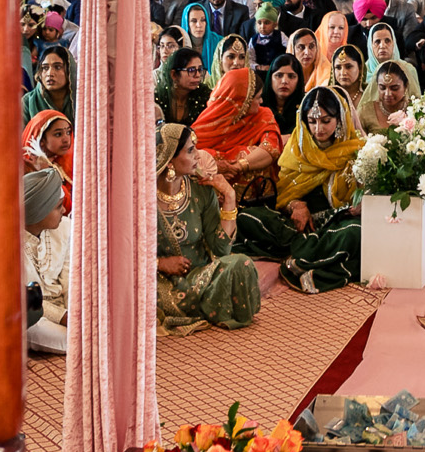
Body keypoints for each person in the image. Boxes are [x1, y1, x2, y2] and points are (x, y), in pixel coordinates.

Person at [240, 91, 365, 293]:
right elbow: (286, 190)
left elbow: (365, 195)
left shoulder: (357, 149)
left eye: (326, 121)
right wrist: (295, 205)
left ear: (340, 118)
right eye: (312, 121)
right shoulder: (297, 147)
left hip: (338, 222)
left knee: (355, 232)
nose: (318, 129)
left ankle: (301, 257)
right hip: (299, 226)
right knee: (247, 217)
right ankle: (313, 254)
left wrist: (359, 207)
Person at [155, 122, 261, 332]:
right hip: (157, 281)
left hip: (198, 277)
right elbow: (122, 253)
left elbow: (221, 250)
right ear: (169, 160)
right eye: (191, 150)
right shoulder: (139, 200)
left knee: (242, 265)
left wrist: (229, 198)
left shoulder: (200, 190)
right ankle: (205, 306)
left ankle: (204, 303)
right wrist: (159, 263)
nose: (198, 155)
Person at [191, 66, 283, 203]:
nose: (261, 102)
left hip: (256, 202)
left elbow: (271, 150)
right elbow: (189, 158)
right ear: (242, 102)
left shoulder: (263, 116)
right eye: (258, 98)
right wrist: (215, 164)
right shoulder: (205, 126)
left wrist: (238, 165)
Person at [22, 167, 70, 355]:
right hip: (33, 314)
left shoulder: (66, 229)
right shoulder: (7, 242)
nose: (65, 210)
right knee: (29, 325)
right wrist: (63, 316)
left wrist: (77, 312)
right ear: (38, 212)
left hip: (67, 308)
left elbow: (70, 279)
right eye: (58, 207)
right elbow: (22, 298)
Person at [24, 109, 74, 213]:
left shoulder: (66, 163)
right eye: (58, 134)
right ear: (41, 140)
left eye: (68, 132)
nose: (66, 139)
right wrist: (44, 174)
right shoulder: (26, 168)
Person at [357, 57, 420, 134]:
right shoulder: (365, 112)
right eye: (382, 88)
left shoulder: (416, 110)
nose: (388, 94)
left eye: (394, 88)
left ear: (406, 86)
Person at [158, 47, 210, 127]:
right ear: (174, 74)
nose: (198, 75)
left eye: (200, 70)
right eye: (191, 70)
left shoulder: (205, 96)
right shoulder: (159, 98)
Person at [23, 47, 74, 123]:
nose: (50, 73)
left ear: (70, 70)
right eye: (45, 68)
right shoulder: (27, 102)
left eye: (57, 67)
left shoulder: (80, 100)